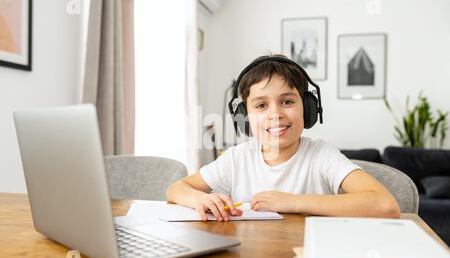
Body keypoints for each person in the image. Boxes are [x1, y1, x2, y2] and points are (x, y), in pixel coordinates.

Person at [167, 54, 400, 222]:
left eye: (287, 101)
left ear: (308, 109)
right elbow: (176, 189)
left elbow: (385, 205)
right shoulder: (238, 158)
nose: (275, 114)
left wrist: (294, 202)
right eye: (261, 105)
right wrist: (199, 199)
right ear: (244, 118)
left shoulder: (321, 156)